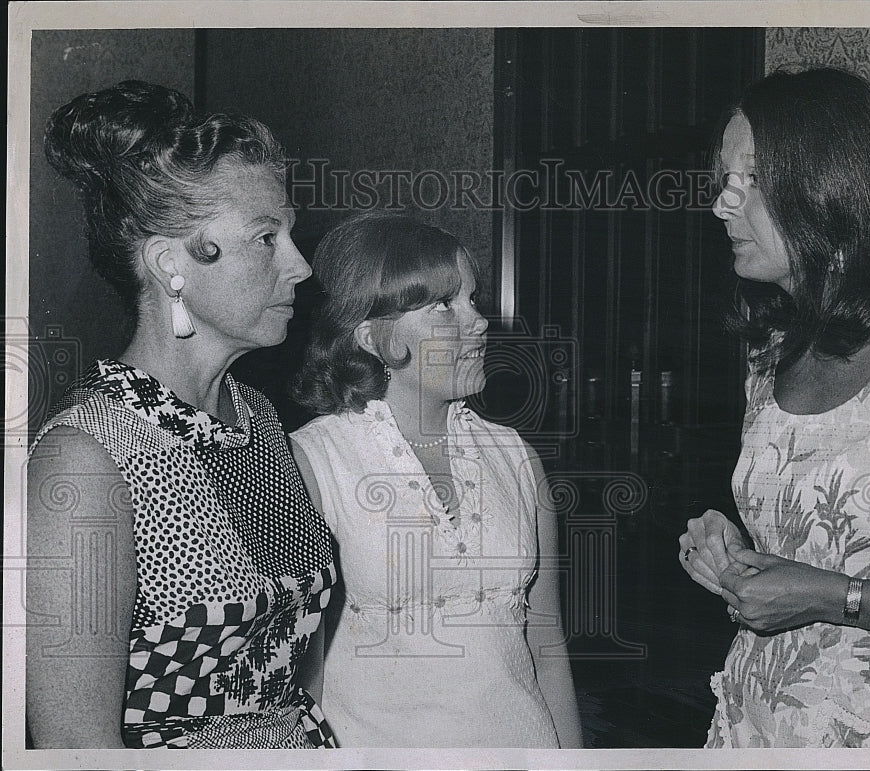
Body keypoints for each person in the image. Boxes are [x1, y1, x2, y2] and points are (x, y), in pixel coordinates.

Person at [27, 81, 336, 748]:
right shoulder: (88, 458)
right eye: (266, 237)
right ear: (171, 264)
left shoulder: (256, 418)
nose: (301, 265)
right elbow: (75, 751)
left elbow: (296, 678)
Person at [678, 68, 870, 748]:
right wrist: (739, 557)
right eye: (723, 177)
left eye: (750, 180)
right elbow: (810, 553)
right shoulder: (774, 350)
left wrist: (833, 594)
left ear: (831, 189)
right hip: (754, 724)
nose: (724, 204)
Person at [289, 211, 582, 748]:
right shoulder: (311, 464)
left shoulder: (516, 457)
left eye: (472, 299)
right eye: (445, 305)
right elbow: (295, 681)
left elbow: (546, 644)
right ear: (372, 335)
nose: (478, 321)